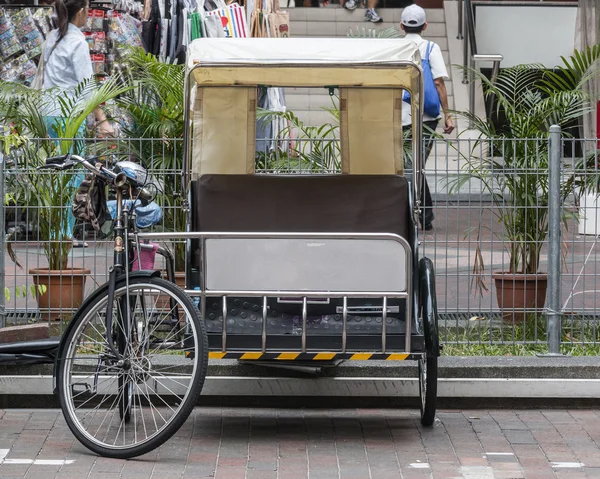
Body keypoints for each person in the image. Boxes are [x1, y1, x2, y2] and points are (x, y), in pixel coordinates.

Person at [41, 0, 114, 246]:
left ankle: (55, 234)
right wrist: (102, 120)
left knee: (55, 174)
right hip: (68, 117)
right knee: (71, 174)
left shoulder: (53, 37)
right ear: (82, 12)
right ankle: (62, 236)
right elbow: (88, 87)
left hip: (48, 113)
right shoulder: (77, 42)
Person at [400, 4, 454, 231]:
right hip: (427, 118)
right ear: (425, 26)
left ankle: (420, 215)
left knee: (410, 167)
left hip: (400, 116)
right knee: (414, 166)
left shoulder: (394, 48)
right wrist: (448, 115)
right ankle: (424, 215)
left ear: (401, 26)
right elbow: (439, 82)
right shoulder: (432, 48)